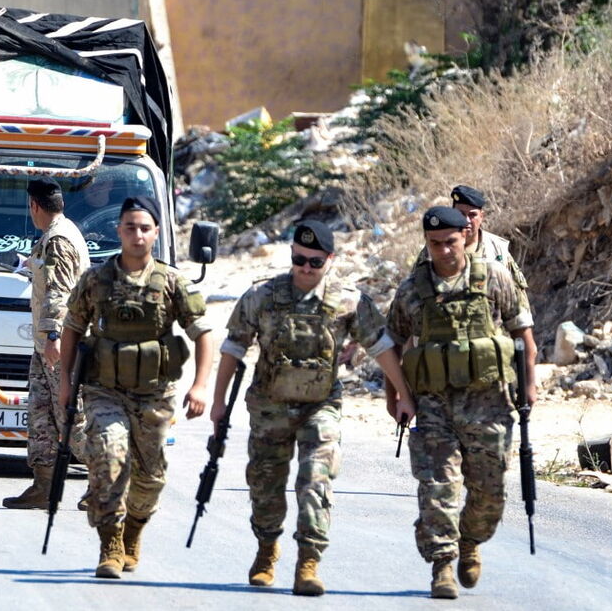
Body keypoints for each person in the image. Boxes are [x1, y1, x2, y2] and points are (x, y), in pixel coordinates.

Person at [210, 219, 397, 594]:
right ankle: (266, 550)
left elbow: (380, 345)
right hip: (269, 407)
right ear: (291, 255)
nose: (306, 268)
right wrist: (217, 401)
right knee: (265, 485)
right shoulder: (263, 296)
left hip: (320, 406)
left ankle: (308, 561)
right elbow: (233, 346)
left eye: (315, 261)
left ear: (329, 259)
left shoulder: (348, 300)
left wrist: (402, 394)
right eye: (299, 259)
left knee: (315, 480)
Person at [381, 206, 537, 599]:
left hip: (489, 404)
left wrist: (529, 385)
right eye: (434, 244)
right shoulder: (413, 290)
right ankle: (442, 567)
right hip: (434, 406)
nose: (444, 251)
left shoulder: (493, 278)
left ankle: (470, 541)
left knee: (489, 493)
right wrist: (397, 396)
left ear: (465, 237)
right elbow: (391, 346)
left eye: (450, 242)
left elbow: (524, 336)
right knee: (438, 489)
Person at [60, 196, 213, 579]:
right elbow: (72, 329)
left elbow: (202, 333)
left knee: (150, 478)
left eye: (145, 228)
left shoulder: (172, 281)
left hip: (154, 393)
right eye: (130, 227)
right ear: (119, 232)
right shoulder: (95, 280)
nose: (138, 235)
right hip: (103, 389)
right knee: (108, 458)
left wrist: (200, 386)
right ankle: (109, 543)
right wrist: (64, 382)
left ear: (157, 233)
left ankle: (134, 530)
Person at [2, 177, 91, 510]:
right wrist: (28, 265)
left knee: (71, 417)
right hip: (45, 347)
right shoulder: (53, 237)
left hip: (61, 345)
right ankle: (43, 487)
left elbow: (61, 291)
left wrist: (54, 336)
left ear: (34, 206)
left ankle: (106, 483)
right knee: (40, 415)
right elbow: (49, 276)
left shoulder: (59, 240)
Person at [413, 185, 530, 310]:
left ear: (481, 216)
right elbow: (415, 293)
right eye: (461, 214)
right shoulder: (435, 250)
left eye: (472, 215)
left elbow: (519, 300)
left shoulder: (497, 248)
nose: (466, 220)